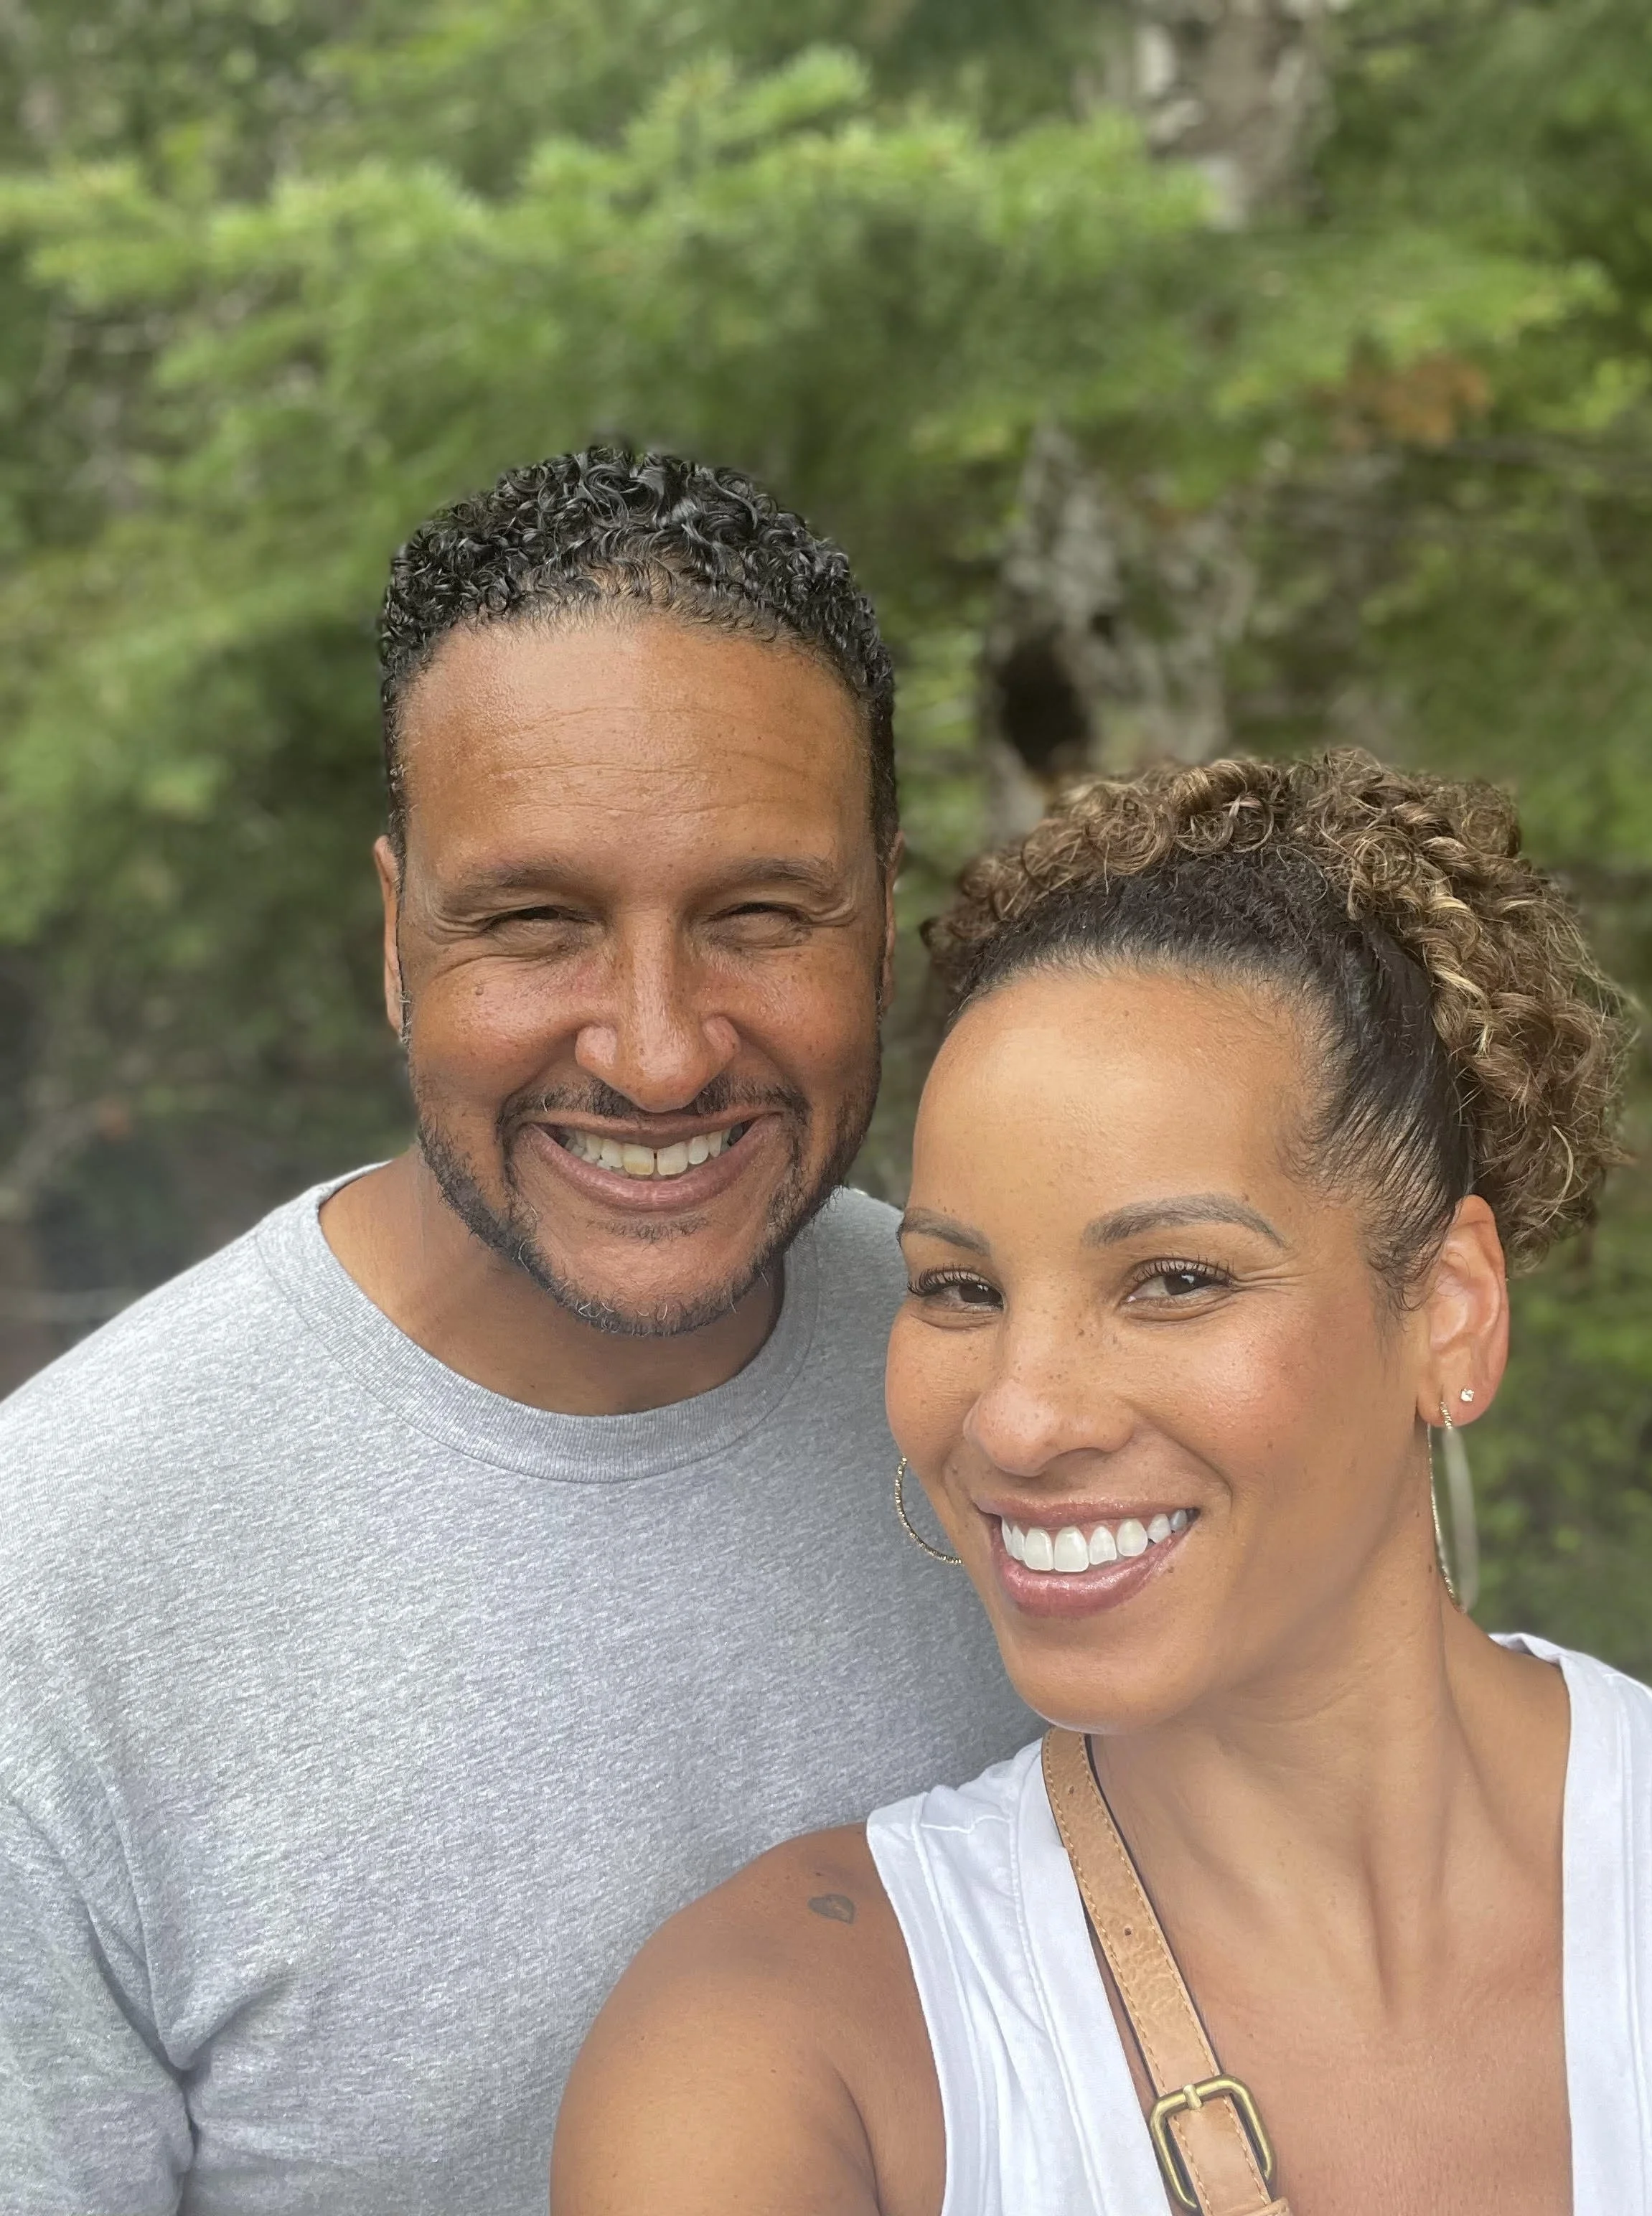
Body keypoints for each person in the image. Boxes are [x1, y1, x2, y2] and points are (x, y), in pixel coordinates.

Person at [0, 450, 1031, 2215]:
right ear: (398, 934)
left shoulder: (1040, 1399)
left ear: (884, 915)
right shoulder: (61, 1575)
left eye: (759, 915)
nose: (654, 1049)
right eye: (535, 921)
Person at [553, 751, 1652, 2216]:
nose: (1018, 1418)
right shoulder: (790, 2046)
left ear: (1449, 1310)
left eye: (1175, 1278)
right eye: (959, 1287)